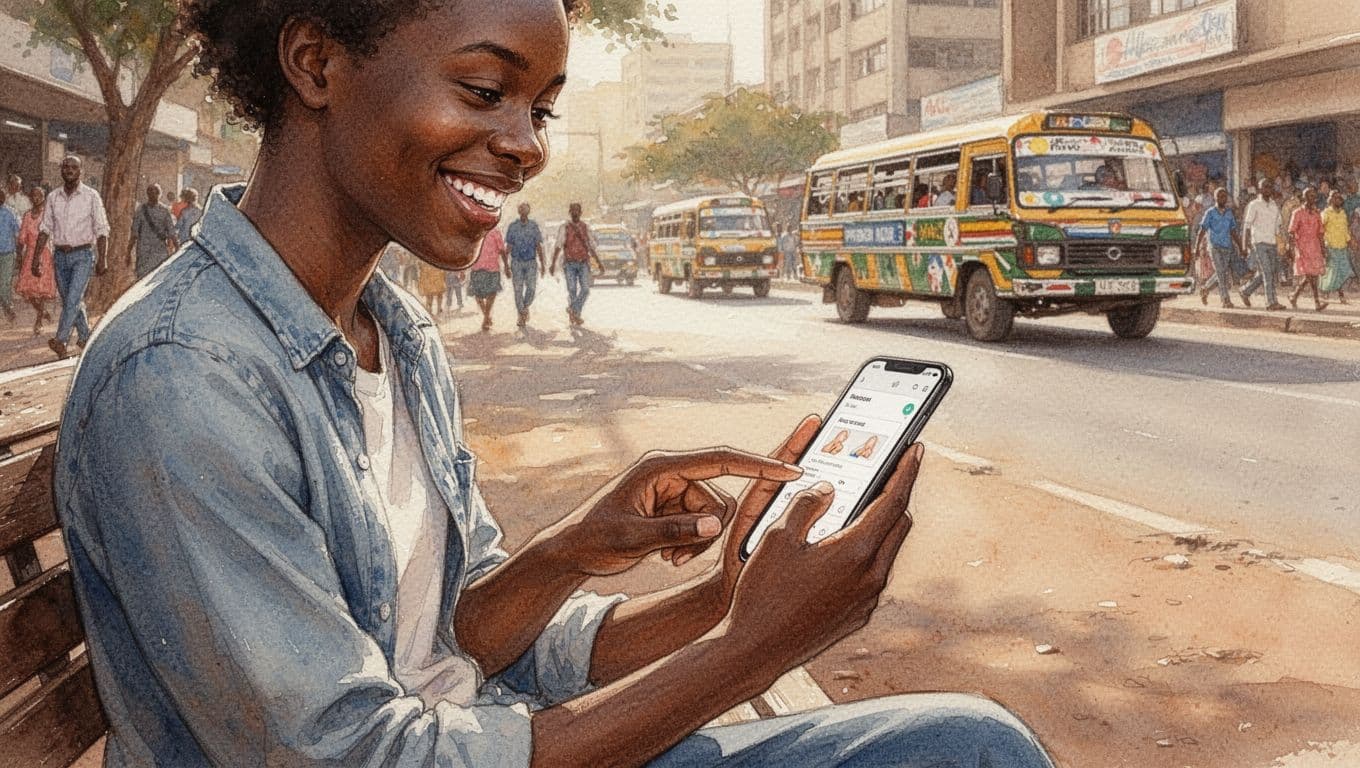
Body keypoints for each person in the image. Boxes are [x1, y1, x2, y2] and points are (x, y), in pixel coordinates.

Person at [52, 1, 1056, 766]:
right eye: (486, 92)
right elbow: (357, 754)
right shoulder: (183, 377)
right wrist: (755, 649)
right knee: (973, 750)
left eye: (541, 108)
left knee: (967, 742)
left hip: (485, 730)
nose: (529, 142)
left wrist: (680, 587)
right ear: (317, 64)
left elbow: (459, 641)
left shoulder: (390, 331)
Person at [33, 154, 108, 359]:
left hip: (83, 255)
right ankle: (86, 337)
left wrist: (103, 258)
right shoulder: (53, 197)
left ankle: (61, 340)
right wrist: (35, 258)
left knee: (73, 298)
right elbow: (45, 228)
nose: (69, 170)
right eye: (65, 167)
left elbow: (102, 230)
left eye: (73, 167)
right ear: (61, 170)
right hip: (60, 256)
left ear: (80, 171)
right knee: (70, 301)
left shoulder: (91, 196)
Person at [551, 202, 604, 326]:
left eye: (577, 210)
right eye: (573, 210)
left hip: (583, 263)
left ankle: (573, 310)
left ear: (580, 213)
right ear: (570, 212)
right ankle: (576, 315)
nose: (575, 213)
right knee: (572, 289)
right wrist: (553, 264)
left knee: (585, 289)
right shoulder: (564, 227)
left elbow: (591, 247)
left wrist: (599, 263)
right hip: (569, 263)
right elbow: (558, 246)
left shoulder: (586, 227)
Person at [15, 185, 58, 335]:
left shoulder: (47, 215)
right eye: (33, 195)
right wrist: (20, 255)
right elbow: (22, 237)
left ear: (44, 197)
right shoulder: (27, 215)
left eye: (39, 195)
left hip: (44, 253)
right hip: (30, 253)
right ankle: (42, 311)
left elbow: (52, 235)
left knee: (41, 290)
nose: (36, 198)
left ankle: (39, 320)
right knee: (28, 290)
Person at [1195, 187, 1244, 308]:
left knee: (1221, 272)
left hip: (1227, 247)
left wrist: (1240, 247)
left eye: (1225, 196)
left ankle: (1205, 288)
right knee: (1222, 273)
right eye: (1220, 196)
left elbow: (1233, 231)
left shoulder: (1229, 213)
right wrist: (1196, 247)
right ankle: (1225, 299)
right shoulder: (1210, 213)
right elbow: (1202, 230)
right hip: (1214, 247)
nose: (1223, 199)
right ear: (1215, 198)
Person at [1240, 181, 1286, 310]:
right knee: (1267, 272)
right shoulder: (1254, 205)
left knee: (1266, 272)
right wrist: (1245, 245)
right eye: (1265, 187)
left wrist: (1282, 242)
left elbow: (1278, 226)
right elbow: (1247, 227)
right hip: (1259, 243)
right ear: (1260, 190)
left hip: (1272, 242)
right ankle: (1271, 302)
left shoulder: (1274, 205)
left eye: (1270, 186)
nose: (1268, 189)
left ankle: (1245, 291)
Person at [504, 201, 545, 326]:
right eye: (521, 209)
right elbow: (508, 247)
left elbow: (538, 245)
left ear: (529, 211)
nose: (523, 211)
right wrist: (506, 266)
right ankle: (521, 314)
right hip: (516, 262)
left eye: (526, 209)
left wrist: (543, 264)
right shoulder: (512, 227)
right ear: (519, 211)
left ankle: (525, 307)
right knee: (518, 290)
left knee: (531, 288)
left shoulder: (534, 226)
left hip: (531, 262)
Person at [1288, 187, 1328, 311]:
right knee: (1310, 275)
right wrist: (1291, 247)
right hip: (1303, 247)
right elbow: (1291, 231)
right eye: (1310, 196)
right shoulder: (1297, 213)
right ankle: (1316, 302)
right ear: (1304, 197)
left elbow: (1320, 233)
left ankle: (1294, 295)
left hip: (1315, 246)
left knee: (1312, 274)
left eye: (1314, 196)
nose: (1313, 198)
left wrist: (1323, 248)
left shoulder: (1317, 214)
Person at [131, 183, 179, 278]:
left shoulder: (162, 210)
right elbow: (171, 232)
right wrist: (177, 247)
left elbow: (134, 233)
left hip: (152, 250)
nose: (153, 195)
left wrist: (177, 246)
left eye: (155, 192)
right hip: (150, 251)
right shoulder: (143, 210)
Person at [469, 223, 506, 330]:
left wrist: (507, 266)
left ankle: (486, 317)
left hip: (492, 267)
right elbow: (469, 250)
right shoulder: (474, 231)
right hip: (477, 267)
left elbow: (502, 250)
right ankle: (487, 316)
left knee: (492, 292)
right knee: (477, 294)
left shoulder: (495, 231)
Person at [1320, 190, 1354, 304]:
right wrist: (1323, 245)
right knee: (1333, 271)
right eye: (1335, 198)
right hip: (1331, 245)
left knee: (1343, 270)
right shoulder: (1326, 213)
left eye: (1339, 198)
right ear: (1330, 200)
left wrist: (1349, 241)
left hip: (1342, 246)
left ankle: (1334, 293)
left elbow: (1345, 229)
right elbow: (1321, 229)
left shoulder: (1343, 213)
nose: (1338, 200)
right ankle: (1336, 294)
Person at [0, 188, 18, 323]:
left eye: (2, 195)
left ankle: (8, 308)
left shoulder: (10, 212)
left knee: (5, 283)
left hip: (7, 253)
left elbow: (18, 233)